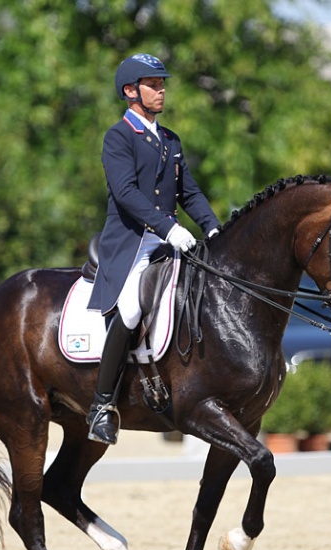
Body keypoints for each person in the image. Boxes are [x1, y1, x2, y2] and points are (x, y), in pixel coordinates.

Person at [86, 53, 220, 445]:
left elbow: (189, 192)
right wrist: (170, 227)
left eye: (162, 84)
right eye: (153, 84)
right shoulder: (118, 137)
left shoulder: (170, 139)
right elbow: (126, 193)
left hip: (167, 240)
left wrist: (212, 228)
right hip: (131, 244)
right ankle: (100, 406)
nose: (161, 90)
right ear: (131, 91)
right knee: (130, 309)